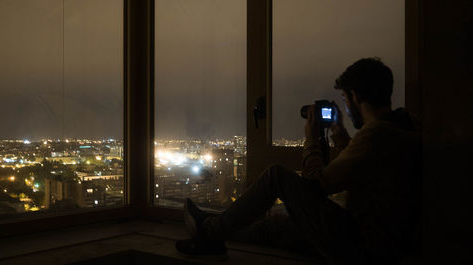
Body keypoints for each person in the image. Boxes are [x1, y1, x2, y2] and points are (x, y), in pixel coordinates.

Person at [175, 58, 422, 265]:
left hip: (363, 248)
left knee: (276, 175)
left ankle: (208, 232)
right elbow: (363, 168)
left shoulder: (376, 135)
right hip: (386, 244)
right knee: (275, 228)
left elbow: (317, 184)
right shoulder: (402, 128)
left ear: (355, 96)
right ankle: (213, 226)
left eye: (345, 101)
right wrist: (340, 136)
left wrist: (311, 139)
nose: (346, 109)